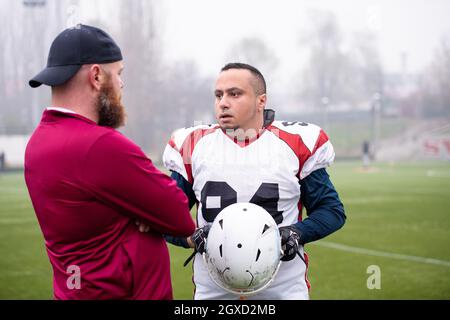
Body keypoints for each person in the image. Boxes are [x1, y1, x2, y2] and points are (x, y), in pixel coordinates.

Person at [24, 24, 195, 300]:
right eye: (118, 73)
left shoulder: (38, 142)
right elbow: (178, 214)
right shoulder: (99, 145)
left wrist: (139, 213)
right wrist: (147, 214)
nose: (122, 84)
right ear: (96, 76)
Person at [163, 63, 346, 300]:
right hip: (214, 293)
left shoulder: (297, 142)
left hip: (283, 291)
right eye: (218, 95)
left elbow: (332, 211)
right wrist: (191, 238)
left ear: (261, 101)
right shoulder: (192, 145)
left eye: (235, 94)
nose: (223, 102)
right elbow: (163, 218)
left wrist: (297, 233)